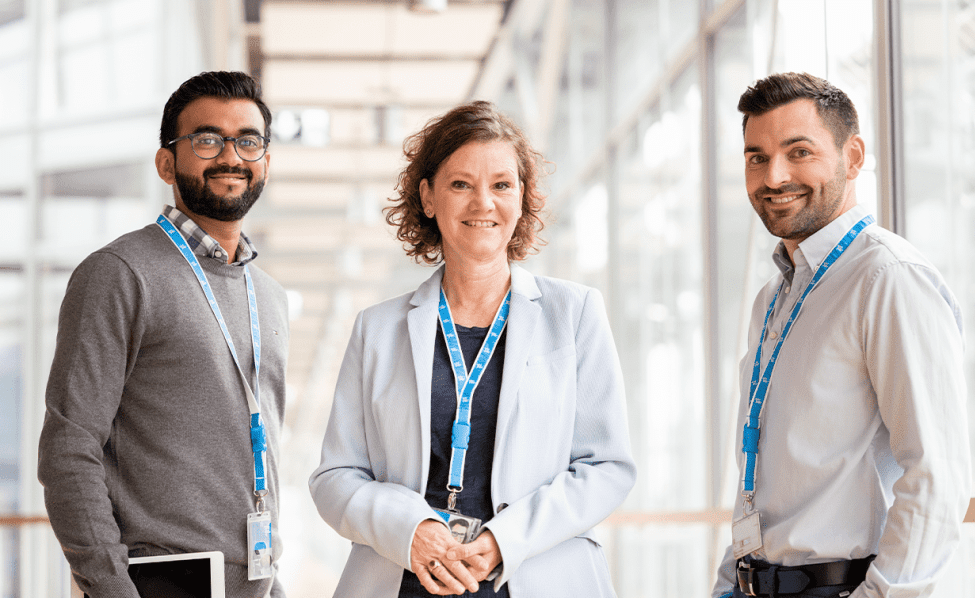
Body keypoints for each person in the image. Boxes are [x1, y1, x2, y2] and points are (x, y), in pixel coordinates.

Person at [309, 101, 636, 597]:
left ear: (522, 197)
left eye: (501, 185)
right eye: (461, 184)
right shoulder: (377, 329)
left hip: (534, 574)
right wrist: (410, 529)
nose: (483, 202)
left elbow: (606, 467)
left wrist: (505, 539)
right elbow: (335, 477)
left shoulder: (574, 314)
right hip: (405, 579)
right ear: (428, 197)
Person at [712, 72, 971, 598]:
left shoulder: (888, 278)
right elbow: (765, 480)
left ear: (852, 157)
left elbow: (935, 478)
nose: (774, 176)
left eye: (798, 151)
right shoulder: (774, 296)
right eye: (756, 157)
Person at [38, 71, 288, 598]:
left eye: (248, 140)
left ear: (265, 160)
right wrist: (112, 589)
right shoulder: (118, 273)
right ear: (166, 162)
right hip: (161, 584)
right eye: (206, 138)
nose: (230, 156)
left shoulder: (267, 294)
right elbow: (69, 448)